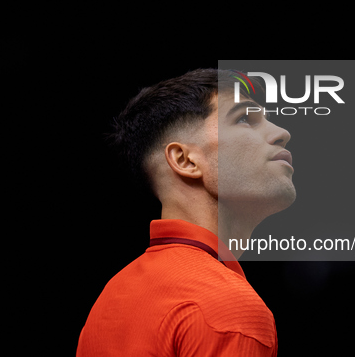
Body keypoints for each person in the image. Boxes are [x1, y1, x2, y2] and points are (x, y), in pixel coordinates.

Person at [76, 69, 296, 356]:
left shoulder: (112, 297)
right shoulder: (226, 306)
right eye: (244, 118)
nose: (282, 133)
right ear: (185, 160)